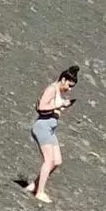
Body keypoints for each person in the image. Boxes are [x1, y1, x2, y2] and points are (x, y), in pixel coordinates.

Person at [25, 65, 79, 203]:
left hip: (51, 128)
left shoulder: (59, 92)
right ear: (63, 79)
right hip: (42, 127)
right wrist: (60, 105)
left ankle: (35, 185)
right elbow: (41, 107)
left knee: (57, 161)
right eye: (69, 85)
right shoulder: (51, 89)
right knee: (49, 161)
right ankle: (40, 192)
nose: (70, 89)